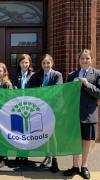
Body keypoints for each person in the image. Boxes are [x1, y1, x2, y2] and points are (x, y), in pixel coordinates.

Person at [63, 49, 100, 179]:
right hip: (74, 114)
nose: (84, 61)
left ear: (91, 60)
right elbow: (65, 95)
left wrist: (86, 84)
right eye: (82, 58)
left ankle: (84, 166)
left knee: (85, 141)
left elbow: (98, 93)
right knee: (74, 140)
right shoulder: (72, 75)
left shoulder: (97, 74)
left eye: (87, 58)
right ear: (79, 60)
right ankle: (74, 166)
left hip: (89, 114)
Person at [29, 54, 63, 172]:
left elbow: (56, 91)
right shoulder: (37, 75)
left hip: (53, 110)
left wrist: (42, 94)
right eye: (44, 63)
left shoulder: (57, 75)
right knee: (44, 135)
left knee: (52, 135)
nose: (46, 65)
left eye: (48, 63)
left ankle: (54, 159)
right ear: (41, 64)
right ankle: (47, 156)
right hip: (40, 110)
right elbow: (30, 89)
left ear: (52, 63)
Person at [12, 54, 34, 163]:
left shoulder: (34, 75)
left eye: (26, 62)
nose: (24, 64)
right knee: (18, 130)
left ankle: (25, 154)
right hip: (17, 106)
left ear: (29, 63)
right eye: (22, 62)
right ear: (19, 64)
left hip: (29, 106)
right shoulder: (14, 74)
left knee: (27, 130)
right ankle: (18, 153)